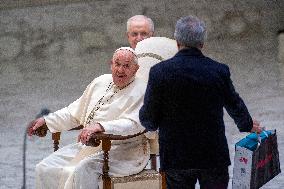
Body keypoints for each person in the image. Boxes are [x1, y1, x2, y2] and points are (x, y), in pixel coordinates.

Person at [139, 15, 263, 189]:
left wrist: (150, 122)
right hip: (212, 154)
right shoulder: (218, 70)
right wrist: (247, 124)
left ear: (177, 41)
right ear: (202, 42)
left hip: (176, 156)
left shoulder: (159, 72)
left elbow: (149, 117)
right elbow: (234, 103)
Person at [28, 47, 149, 189]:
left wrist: (101, 127)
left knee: (83, 170)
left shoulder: (142, 89)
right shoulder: (100, 82)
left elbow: (134, 123)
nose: (120, 70)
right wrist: (47, 120)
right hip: (88, 147)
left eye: (127, 66)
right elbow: (74, 112)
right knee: (45, 167)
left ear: (136, 69)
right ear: (111, 64)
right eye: (117, 64)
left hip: (125, 152)